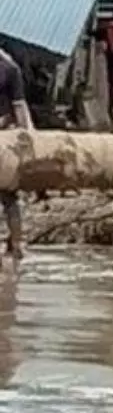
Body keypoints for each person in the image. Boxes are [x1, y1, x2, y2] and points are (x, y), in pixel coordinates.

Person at [0, 48, 33, 262]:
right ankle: (17, 244)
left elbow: (20, 108)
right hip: (5, 137)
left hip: (4, 137)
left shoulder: (10, 68)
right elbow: (19, 108)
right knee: (10, 196)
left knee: (9, 195)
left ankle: (16, 244)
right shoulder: (10, 68)